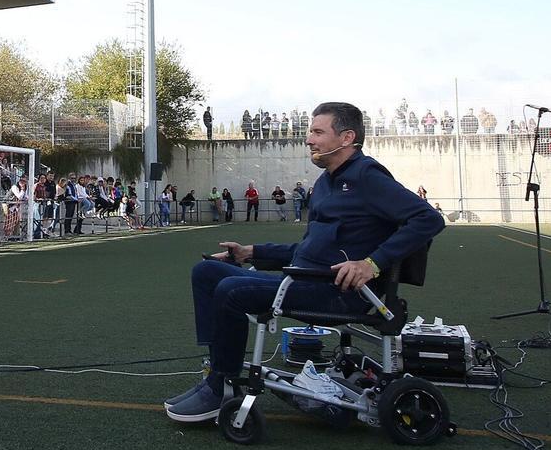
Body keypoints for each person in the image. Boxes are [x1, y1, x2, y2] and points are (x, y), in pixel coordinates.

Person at [162, 102, 446, 423]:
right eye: (310, 131)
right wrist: (251, 252)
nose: (308, 139)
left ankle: (222, 386)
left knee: (230, 289)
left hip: (335, 291)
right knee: (206, 272)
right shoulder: (326, 182)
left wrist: (371, 264)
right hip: (307, 278)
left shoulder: (367, 176)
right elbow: (308, 251)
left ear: (346, 137)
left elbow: (427, 218)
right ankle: (216, 373)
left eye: (317, 132)